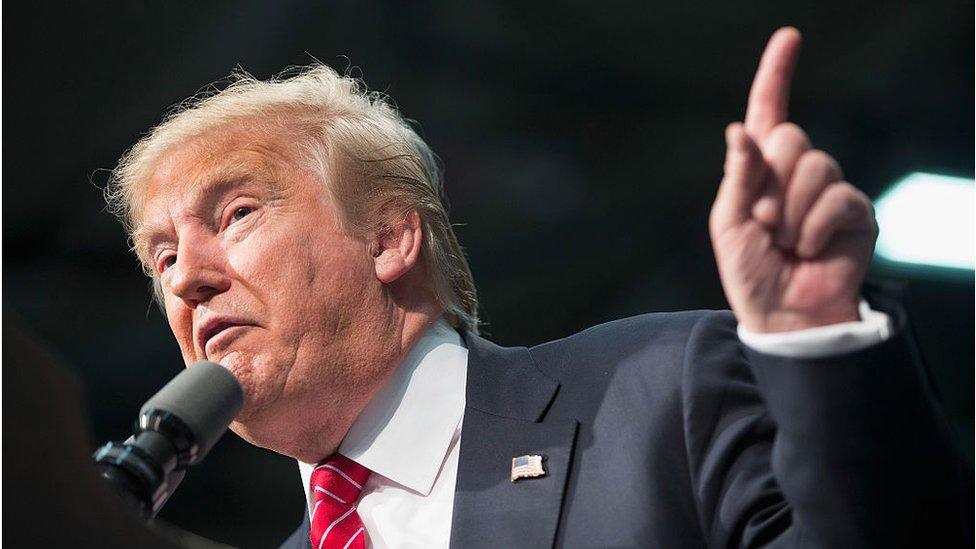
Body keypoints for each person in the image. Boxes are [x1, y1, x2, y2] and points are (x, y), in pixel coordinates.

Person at [106, 27, 968, 548]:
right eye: (163, 255)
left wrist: (813, 332)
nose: (189, 274)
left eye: (238, 212)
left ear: (390, 237)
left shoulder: (662, 393)